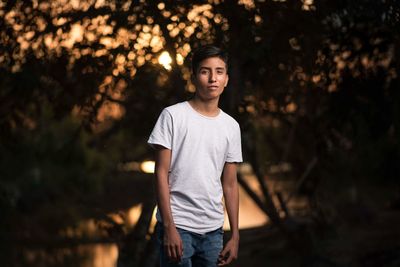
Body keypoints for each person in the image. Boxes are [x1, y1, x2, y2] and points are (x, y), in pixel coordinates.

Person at [148, 45, 242, 267]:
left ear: (226, 79)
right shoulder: (172, 116)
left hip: (213, 231)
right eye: (204, 71)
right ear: (194, 77)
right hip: (178, 225)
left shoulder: (231, 127)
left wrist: (235, 236)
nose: (212, 78)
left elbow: (230, 185)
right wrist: (169, 227)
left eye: (219, 71)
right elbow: (161, 173)